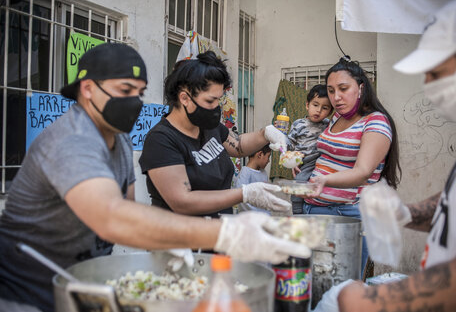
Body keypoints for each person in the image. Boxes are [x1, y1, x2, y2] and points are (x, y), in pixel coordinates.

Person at [0, 43, 311, 312]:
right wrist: (225, 233)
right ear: (88, 89)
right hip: (27, 292)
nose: (134, 101)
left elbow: (127, 213)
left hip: (81, 281)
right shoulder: (72, 140)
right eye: (124, 91)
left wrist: (168, 236)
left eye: (139, 92)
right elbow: (114, 218)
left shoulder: (118, 140)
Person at [314, 0, 456, 311]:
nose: (428, 84)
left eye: (436, 71)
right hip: (319, 209)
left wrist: (369, 300)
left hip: (348, 215)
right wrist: (405, 213)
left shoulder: (375, 121)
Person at [139, 51, 291, 217]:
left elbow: (238, 147)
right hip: (179, 238)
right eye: (210, 101)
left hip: (215, 231)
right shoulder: (161, 140)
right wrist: (244, 194)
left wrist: (265, 134)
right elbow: (182, 201)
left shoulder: (206, 126)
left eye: (219, 99)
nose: (216, 107)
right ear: (184, 98)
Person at [302, 56, 401, 275]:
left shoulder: (376, 121)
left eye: (343, 88)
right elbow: (325, 152)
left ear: (361, 87)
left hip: (349, 215)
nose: (336, 97)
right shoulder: (336, 116)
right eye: (330, 90)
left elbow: (362, 172)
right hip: (313, 208)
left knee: (343, 288)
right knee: (310, 284)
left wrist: (325, 180)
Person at [288, 84, 332, 214]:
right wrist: (292, 162)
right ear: (307, 105)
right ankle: (297, 212)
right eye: (315, 105)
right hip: (304, 162)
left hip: (319, 160)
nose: (318, 110)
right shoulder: (298, 124)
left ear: (330, 111)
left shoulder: (328, 124)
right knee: (299, 182)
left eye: (324, 108)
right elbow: (290, 144)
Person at [234, 144, 272, 214]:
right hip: (249, 219)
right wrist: (260, 214)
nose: (268, 161)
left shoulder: (263, 173)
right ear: (260, 154)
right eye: (268, 156)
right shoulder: (245, 173)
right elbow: (242, 201)